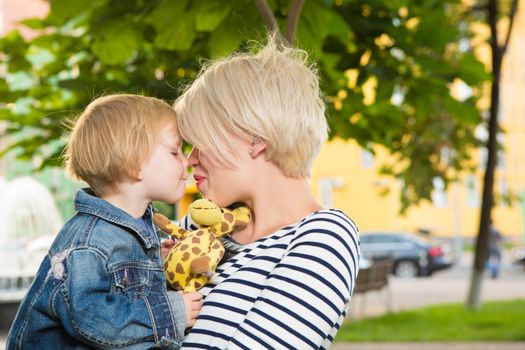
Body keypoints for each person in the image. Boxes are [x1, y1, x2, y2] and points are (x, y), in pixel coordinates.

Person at [171, 37, 360, 349]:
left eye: (200, 141)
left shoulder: (325, 235)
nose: (191, 159)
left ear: (254, 139)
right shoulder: (203, 230)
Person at [7, 94, 202, 349]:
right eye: (175, 151)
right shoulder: (89, 241)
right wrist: (170, 312)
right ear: (136, 163)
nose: (186, 161)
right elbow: (92, 319)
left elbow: (125, 289)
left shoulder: (134, 228)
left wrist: (157, 267)